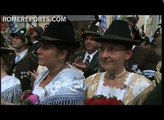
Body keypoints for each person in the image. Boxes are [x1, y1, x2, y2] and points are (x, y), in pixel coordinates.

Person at [85, 20, 154, 105]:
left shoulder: (141, 86)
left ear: (128, 54)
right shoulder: (90, 82)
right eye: (102, 49)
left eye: (112, 49)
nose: (104, 55)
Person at [32, 18, 86, 105]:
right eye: (40, 46)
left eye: (45, 48)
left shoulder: (72, 83)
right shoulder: (43, 75)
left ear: (62, 54)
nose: (38, 51)